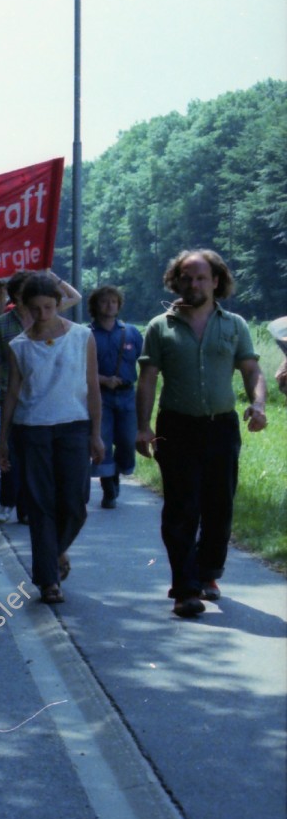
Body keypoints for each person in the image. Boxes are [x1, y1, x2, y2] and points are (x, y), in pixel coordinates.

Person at [136, 250, 269, 618]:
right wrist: (143, 426)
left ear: (216, 281)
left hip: (221, 427)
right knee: (181, 507)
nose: (193, 284)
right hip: (176, 427)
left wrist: (258, 405)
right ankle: (185, 588)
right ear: (176, 281)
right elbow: (147, 380)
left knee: (219, 506)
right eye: (186, 278)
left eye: (200, 277)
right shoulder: (159, 327)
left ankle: (209, 572)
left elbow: (252, 371)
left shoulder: (235, 325)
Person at [0, 273, 102, 605]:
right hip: (32, 430)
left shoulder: (82, 336)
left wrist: (97, 434)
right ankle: (48, 580)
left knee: (75, 502)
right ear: (25, 308)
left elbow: (92, 387)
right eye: (36, 308)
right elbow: (12, 392)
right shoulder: (19, 346)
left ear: (59, 305)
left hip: (74, 427)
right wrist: (2, 441)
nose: (42, 314)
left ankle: (55, 554)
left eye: (48, 307)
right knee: (40, 506)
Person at [0, 270, 82, 522]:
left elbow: (75, 296)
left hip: (48, 394)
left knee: (36, 455)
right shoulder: (0, 325)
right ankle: (7, 501)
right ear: (17, 296)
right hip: (11, 394)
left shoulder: (51, 314)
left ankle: (29, 507)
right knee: (11, 450)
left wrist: (52, 276)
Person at [87, 285, 143, 508]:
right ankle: (108, 487)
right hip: (100, 397)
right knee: (103, 440)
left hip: (127, 395)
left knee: (128, 440)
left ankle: (118, 471)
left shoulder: (131, 333)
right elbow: (80, 369)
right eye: (104, 301)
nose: (109, 305)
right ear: (95, 305)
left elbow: (144, 361)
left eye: (113, 301)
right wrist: (102, 379)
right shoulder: (87, 335)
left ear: (119, 304)